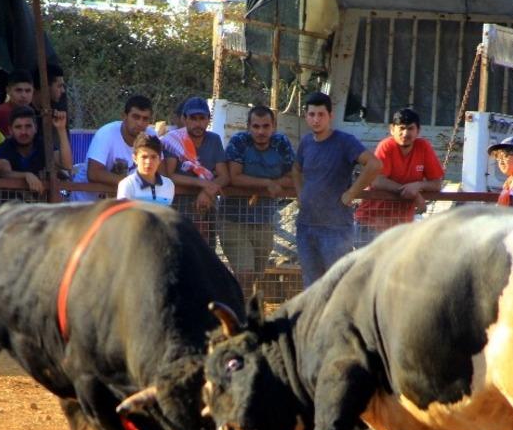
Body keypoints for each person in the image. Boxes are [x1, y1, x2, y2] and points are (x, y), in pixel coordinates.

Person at [292, 91, 381, 285]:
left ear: (330, 116)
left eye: (321, 114)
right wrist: (300, 194)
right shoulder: (306, 142)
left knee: (338, 283)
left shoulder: (344, 142)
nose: (316, 120)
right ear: (306, 116)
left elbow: (374, 165)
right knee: (311, 284)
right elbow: (296, 169)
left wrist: (351, 193)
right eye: (312, 114)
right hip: (306, 225)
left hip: (336, 228)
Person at [223, 105, 294, 293]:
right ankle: (241, 317)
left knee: (256, 275)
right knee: (244, 273)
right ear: (248, 127)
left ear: (274, 126)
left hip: (264, 220)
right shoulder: (239, 142)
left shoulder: (281, 143)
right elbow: (234, 177)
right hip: (233, 219)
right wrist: (268, 183)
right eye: (256, 126)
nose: (261, 131)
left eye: (265, 126)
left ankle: (250, 312)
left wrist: (275, 182)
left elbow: (293, 175)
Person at [354, 107, 443, 235]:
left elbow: (437, 184)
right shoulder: (386, 146)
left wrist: (418, 186)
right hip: (370, 222)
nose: (405, 133)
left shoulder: (423, 147)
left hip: (402, 227)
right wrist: (414, 194)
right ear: (392, 129)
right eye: (401, 128)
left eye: (410, 128)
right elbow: (376, 180)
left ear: (418, 131)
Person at [70, 94, 153, 202]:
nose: (140, 123)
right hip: (85, 204)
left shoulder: (151, 136)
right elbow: (94, 173)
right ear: (124, 116)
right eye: (135, 117)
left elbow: (159, 172)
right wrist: (135, 184)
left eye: (145, 119)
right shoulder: (106, 133)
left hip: (117, 206)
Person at [163, 96, 229, 218]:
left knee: (207, 237)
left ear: (209, 119)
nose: (198, 124)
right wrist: (201, 183)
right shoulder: (174, 140)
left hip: (207, 208)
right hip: (177, 209)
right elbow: (170, 175)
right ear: (184, 119)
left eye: (202, 118)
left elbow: (224, 176)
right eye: (193, 118)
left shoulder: (214, 140)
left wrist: (207, 192)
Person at [0, 105, 75, 194]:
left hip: (41, 203)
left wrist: (61, 129)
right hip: (12, 204)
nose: (23, 132)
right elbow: (4, 173)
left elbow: (67, 165)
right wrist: (26, 175)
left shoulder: (44, 145)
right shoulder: (5, 147)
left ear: (36, 128)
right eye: (18, 127)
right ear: (10, 130)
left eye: (28, 126)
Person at [116, 132, 173, 204]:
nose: (148, 162)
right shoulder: (127, 184)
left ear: (160, 159)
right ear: (135, 158)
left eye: (153, 157)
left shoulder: (168, 185)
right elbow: (123, 214)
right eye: (144, 157)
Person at [0, 69, 35, 138]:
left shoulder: (29, 110)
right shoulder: (3, 111)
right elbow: (16, 141)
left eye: (28, 91)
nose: (24, 95)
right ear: (8, 91)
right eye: (18, 90)